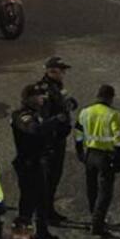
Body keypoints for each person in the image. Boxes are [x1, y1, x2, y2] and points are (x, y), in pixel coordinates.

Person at [10, 83, 64, 239]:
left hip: (38, 162)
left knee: (42, 200)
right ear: (30, 98)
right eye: (40, 96)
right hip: (28, 164)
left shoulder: (36, 113)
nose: (43, 99)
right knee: (27, 202)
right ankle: (21, 236)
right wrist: (55, 120)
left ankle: (42, 232)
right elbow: (35, 129)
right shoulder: (22, 115)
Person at [77, 84, 120, 238]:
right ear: (110, 98)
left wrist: (80, 152)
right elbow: (117, 138)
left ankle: (94, 216)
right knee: (105, 192)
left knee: (92, 188)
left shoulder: (85, 112)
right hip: (106, 156)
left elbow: (78, 133)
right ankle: (98, 224)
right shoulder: (113, 114)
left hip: (90, 154)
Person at [37, 56, 75, 222]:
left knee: (54, 178)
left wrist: (70, 104)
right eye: (61, 71)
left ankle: (49, 210)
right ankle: (44, 214)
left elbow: (63, 104)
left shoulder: (56, 87)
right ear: (52, 71)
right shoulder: (45, 89)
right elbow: (45, 118)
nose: (64, 73)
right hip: (51, 142)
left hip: (58, 138)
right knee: (48, 179)